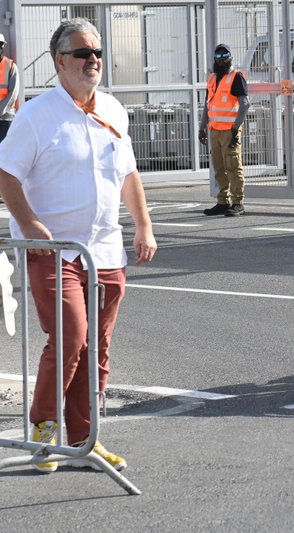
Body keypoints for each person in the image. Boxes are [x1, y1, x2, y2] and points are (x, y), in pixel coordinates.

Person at [0, 18, 157, 473]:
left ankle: (85, 439)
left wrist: (143, 226)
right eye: (82, 53)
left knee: (98, 346)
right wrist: (27, 221)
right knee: (71, 335)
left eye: (98, 53)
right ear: (59, 63)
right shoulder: (36, 115)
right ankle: (45, 430)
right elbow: (6, 173)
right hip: (56, 250)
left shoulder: (112, 109)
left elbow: (128, 174)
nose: (93, 61)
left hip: (105, 250)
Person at [199, 43, 250, 217]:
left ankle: (238, 202)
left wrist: (236, 128)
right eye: (219, 56)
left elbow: (245, 103)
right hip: (214, 130)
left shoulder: (236, 77)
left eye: (225, 56)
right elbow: (208, 105)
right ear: (214, 59)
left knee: (233, 166)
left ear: (231, 58)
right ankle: (223, 201)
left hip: (230, 131)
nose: (222, 59)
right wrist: (202, 127)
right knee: (218, 167)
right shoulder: (212, 78)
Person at [0, 33, 19, 143]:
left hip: (6, 118)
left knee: (5, 152)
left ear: (3, 47)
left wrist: (0, 110)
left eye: (0, 45)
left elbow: (13, 93)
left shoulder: (10, 66)